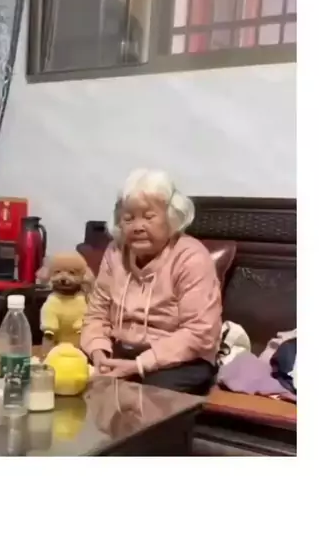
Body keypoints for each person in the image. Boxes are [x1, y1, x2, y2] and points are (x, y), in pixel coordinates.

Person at [80, 169, 222, 395]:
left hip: (180, 359)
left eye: (148, 217)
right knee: (70, 372)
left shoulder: (191, 257)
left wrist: (140, 365)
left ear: (171, 218)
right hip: (121, 349)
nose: (138, 226)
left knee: (148, 395)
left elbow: (200, 332)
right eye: (129, 218)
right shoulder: (115, 252)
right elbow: (97, 314)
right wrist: (99, 353)